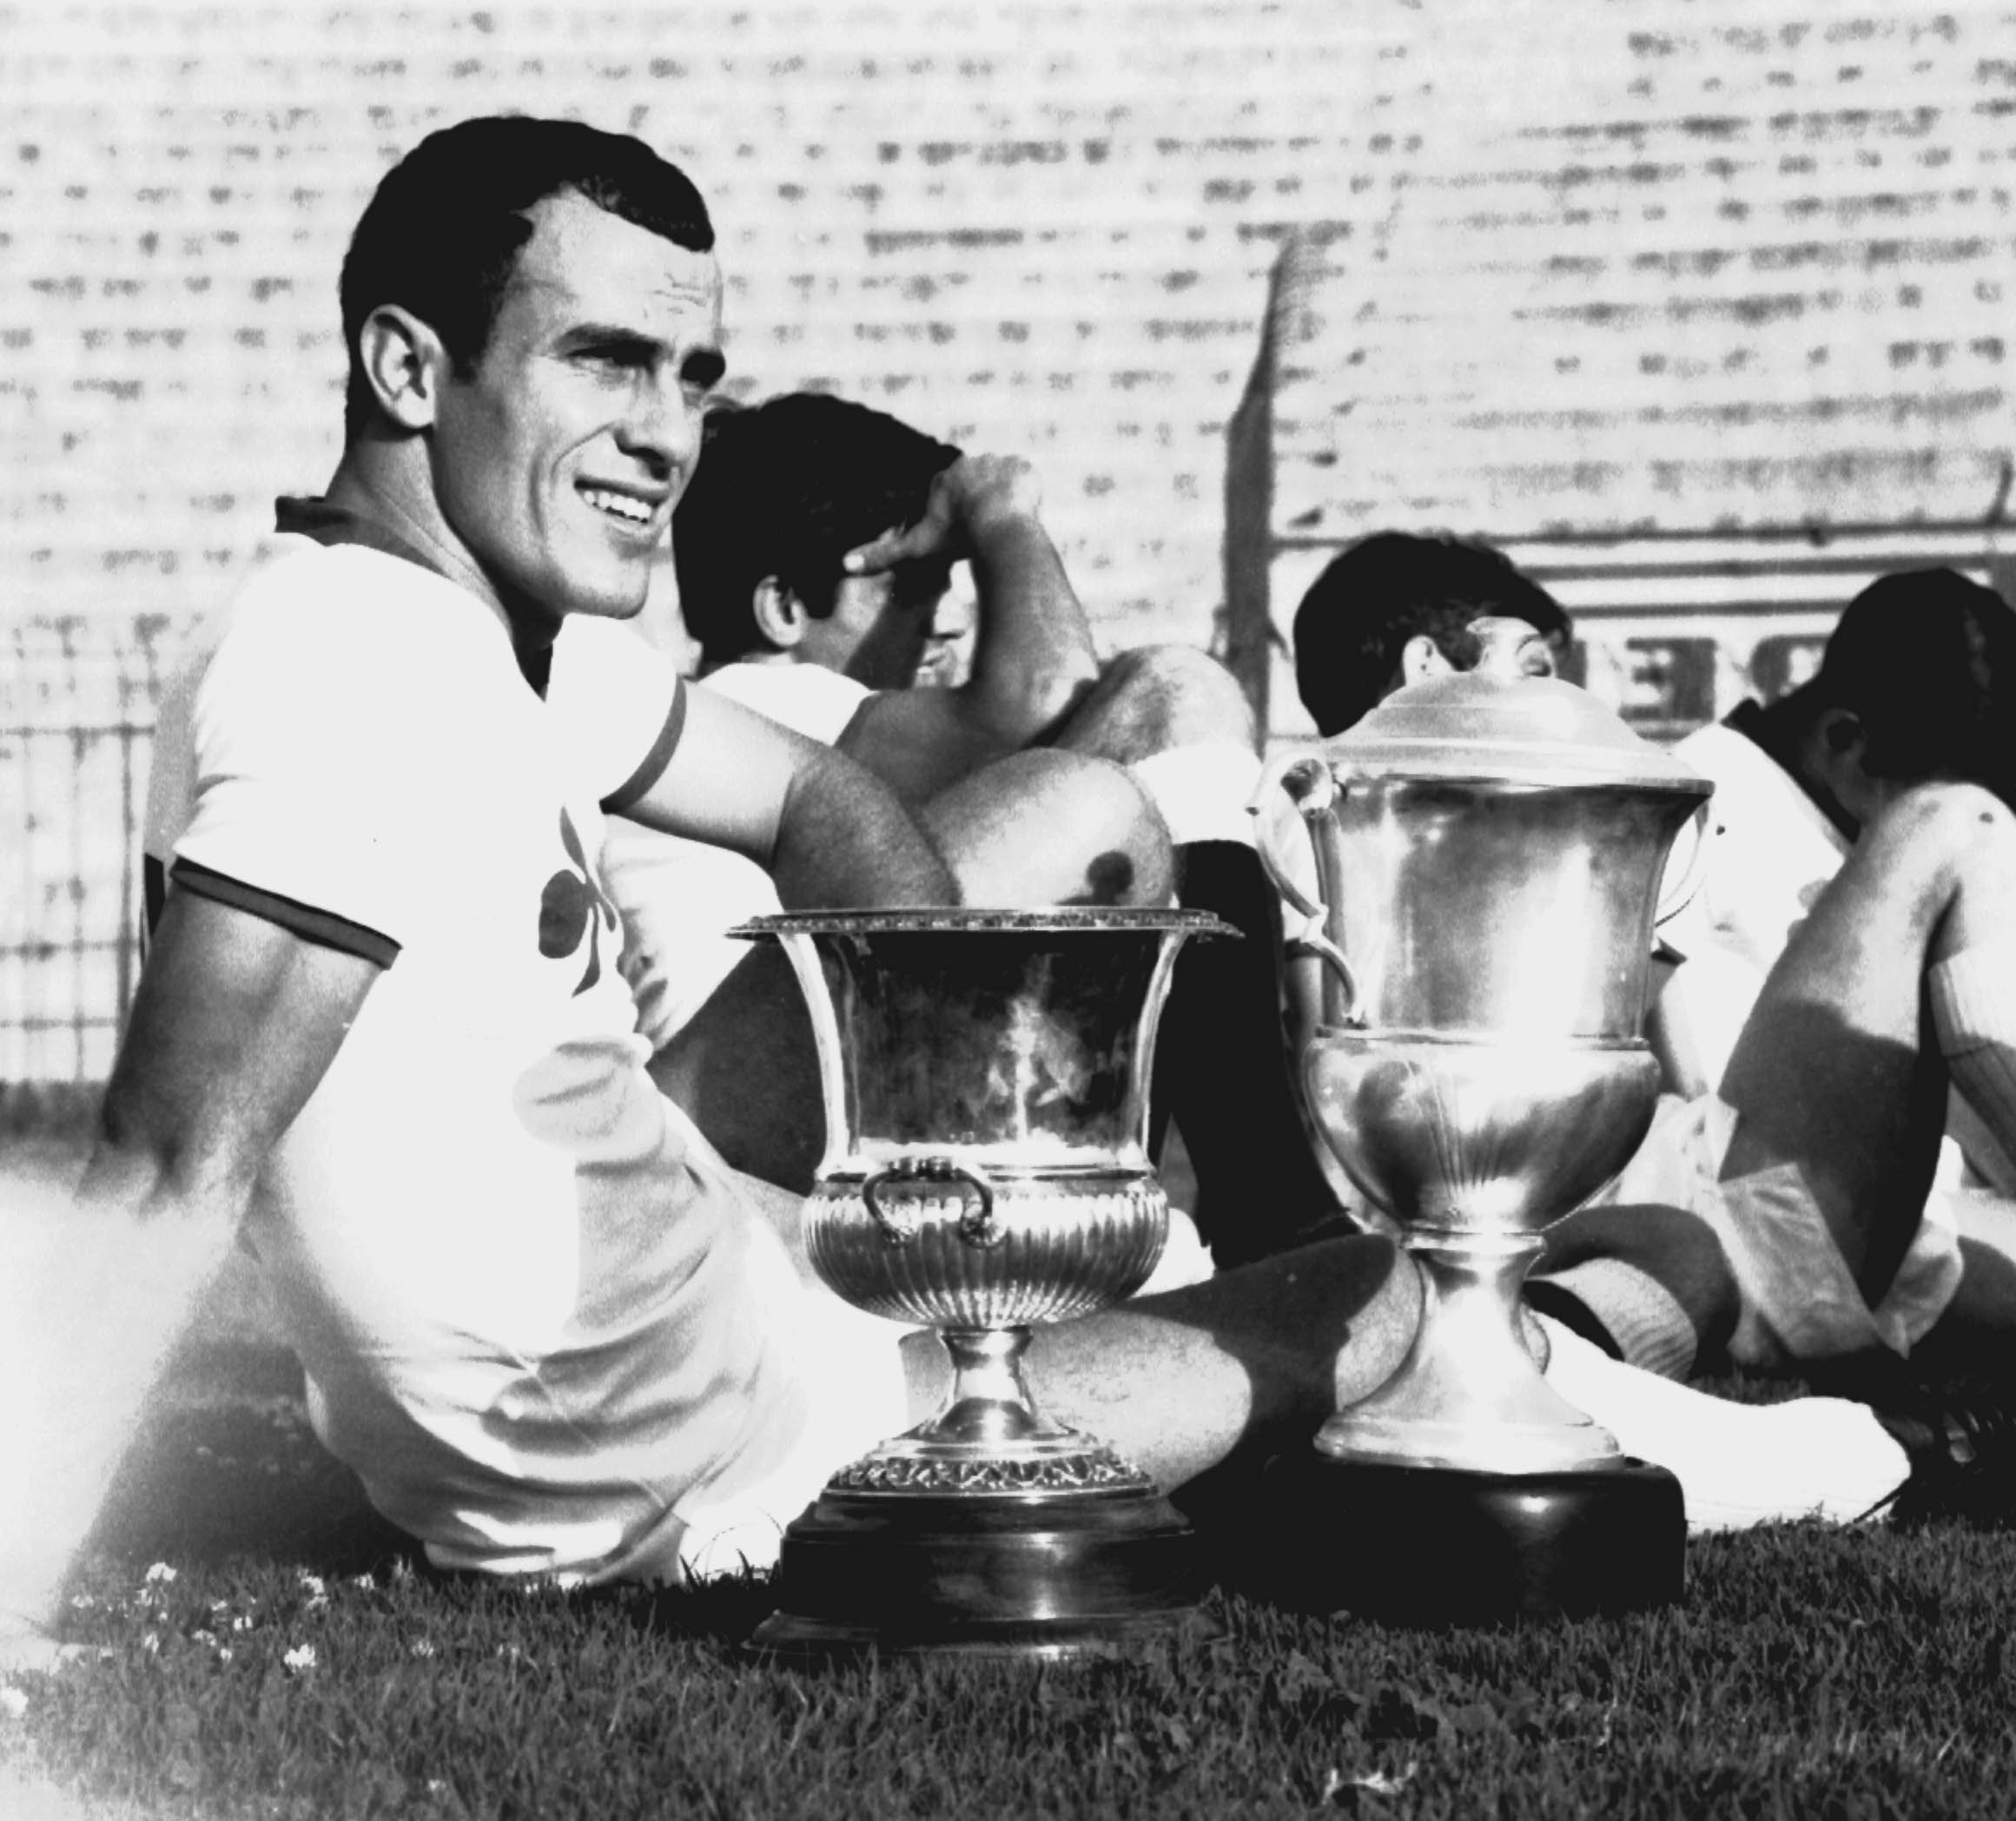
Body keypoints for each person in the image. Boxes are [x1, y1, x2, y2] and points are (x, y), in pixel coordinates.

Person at [0, 115, 1441, 1673]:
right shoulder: (347, 669)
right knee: (1372, 1291)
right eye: (605, 363)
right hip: (718, 1463)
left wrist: (920, 1098)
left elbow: (814, 795)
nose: (668, 438)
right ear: (410, 370)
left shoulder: (472, 630)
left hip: (705, 1252)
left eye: (690, 379)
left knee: (1062, 809)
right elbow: (163, 1163)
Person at [605, 388, 1343, 1263]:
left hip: (814, 1105)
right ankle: (1264, 1194)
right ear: (782, 610)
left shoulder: (778, 727)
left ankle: (1215, 1196)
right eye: (912, 586)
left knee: (1164, 721)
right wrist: (1002, 510)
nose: (949, 619)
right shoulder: (759, 700)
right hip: (759, 1139)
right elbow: (1047, 692)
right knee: (1171, 693)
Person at [1535, 572, 2016, 1416]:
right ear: (1843, 737)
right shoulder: (1699, 794)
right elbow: (1586, 1058)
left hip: (1889, 1224)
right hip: (1743, 1210)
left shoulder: (1833, 815)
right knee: (1954, 823)